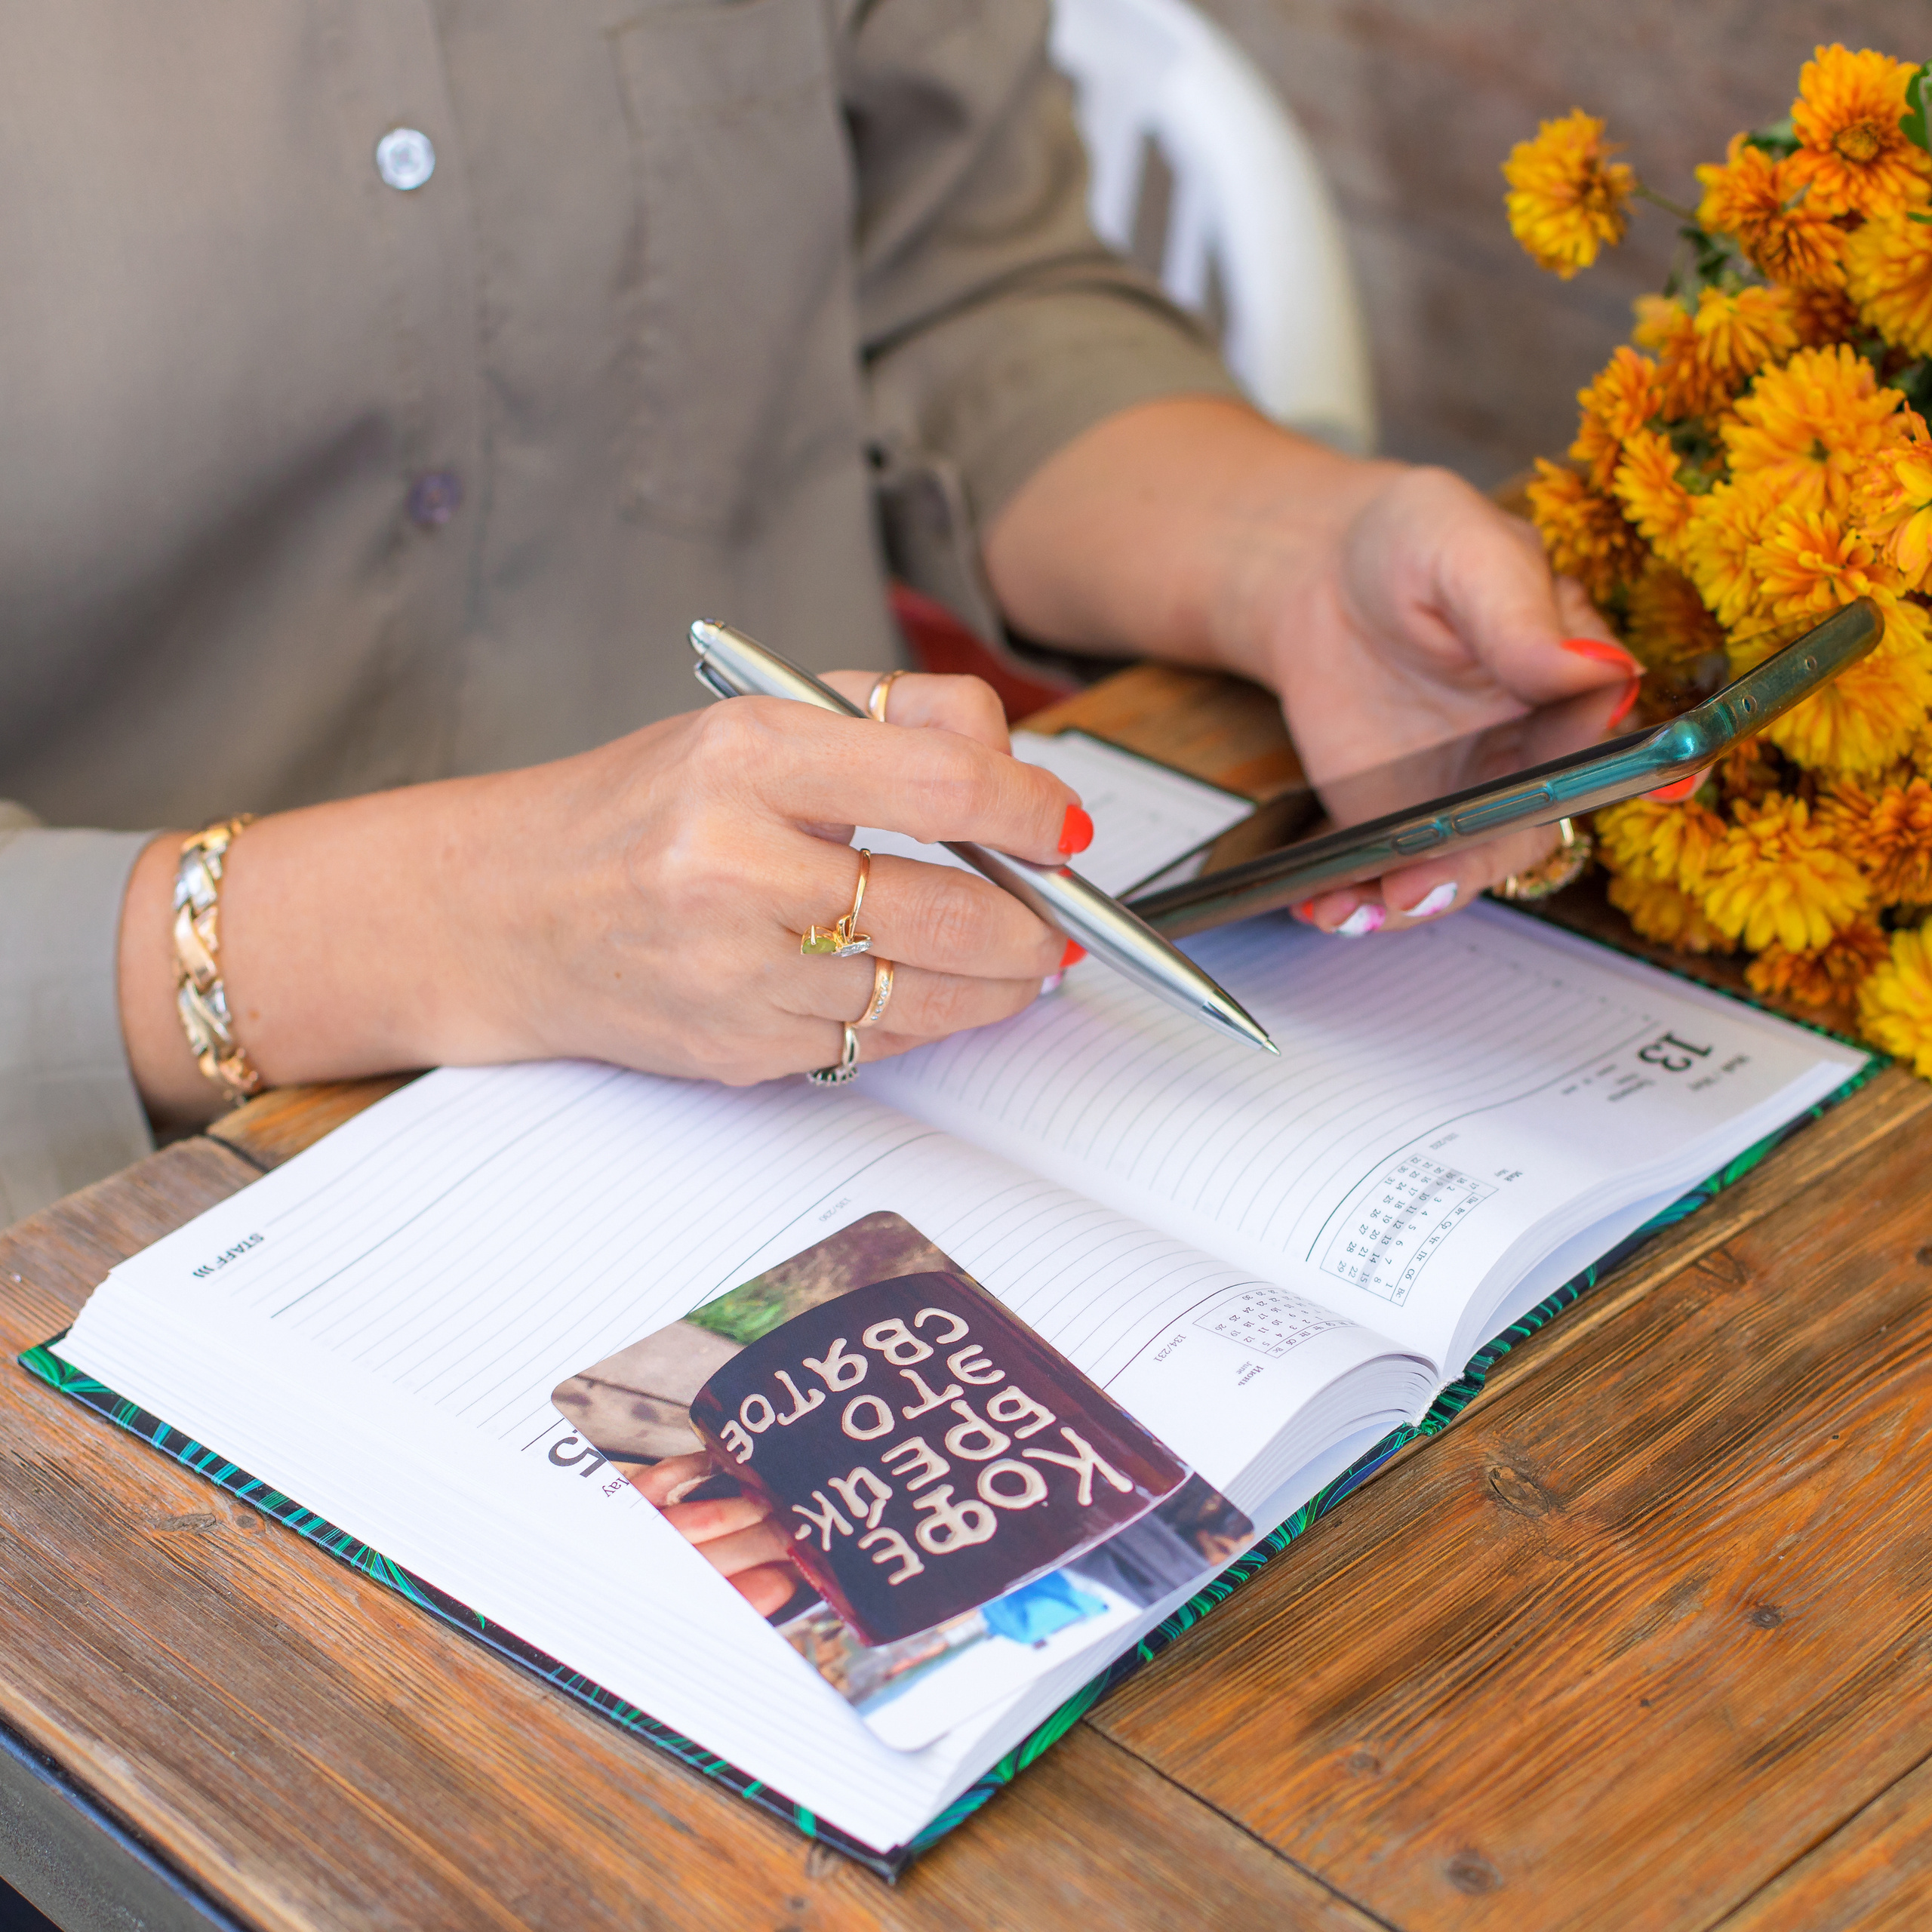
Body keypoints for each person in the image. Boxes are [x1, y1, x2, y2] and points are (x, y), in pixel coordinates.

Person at [0, 2, 1638, 1228]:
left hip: (857, 1084)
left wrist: (1290, 550)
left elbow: (960, 290)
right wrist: (476, 916)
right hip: (121, 1194)